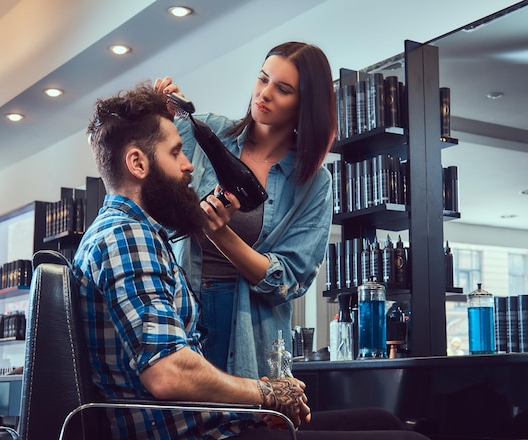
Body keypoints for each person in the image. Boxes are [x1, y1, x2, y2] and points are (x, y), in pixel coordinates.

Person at [72, 82, 431, 440]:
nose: (189, 167)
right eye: (177, 152)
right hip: (196, 436)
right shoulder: (127, 237)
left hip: (212, 424)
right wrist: (269, 394)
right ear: (137, 162)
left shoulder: (138, 233)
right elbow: (169, 374)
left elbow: (292, 276)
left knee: (382, 420)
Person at [154, 41, 336, 378]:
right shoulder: (204, 132)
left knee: (240, 423)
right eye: (262, 79)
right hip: (178, 302)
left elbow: (288, 281)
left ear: (305, 106)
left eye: (282, 89)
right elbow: (143, 184)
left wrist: (220, 234)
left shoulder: (313, 183)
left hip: (250, 328)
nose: (264, 94)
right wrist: (159, 119)